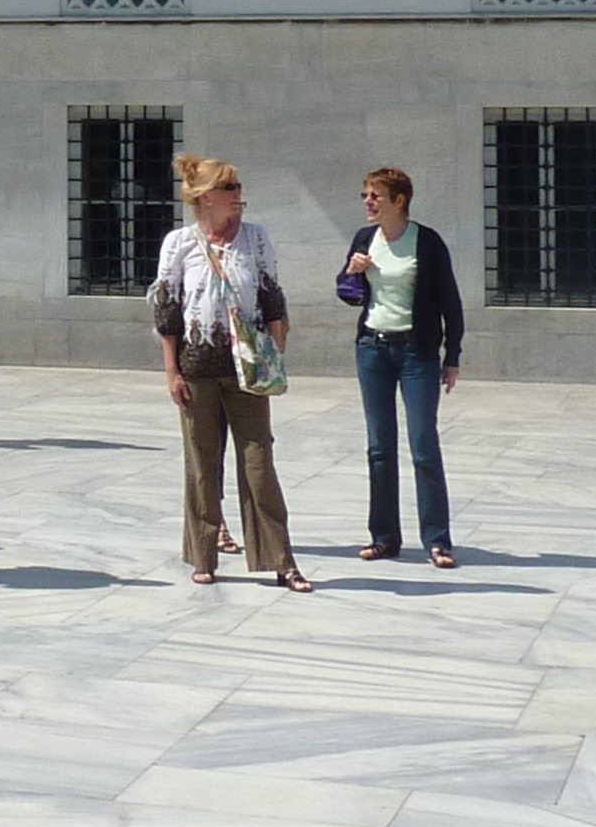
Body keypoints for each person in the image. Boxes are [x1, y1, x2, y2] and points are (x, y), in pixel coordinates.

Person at [157, 155, 308, 590]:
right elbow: (167, 312)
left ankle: (281, 559)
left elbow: (272, 298)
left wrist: (277, 354)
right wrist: (172, 372)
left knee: (259, 464)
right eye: (228, 188)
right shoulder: (179, 243)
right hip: (197, 367)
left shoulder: (256, 239)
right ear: (203, 198)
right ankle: (203, 555)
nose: (238, 195)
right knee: (202, 465)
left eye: (239, 187)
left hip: (248, 372)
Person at [339, 165, 466, 565]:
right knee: (379, 447)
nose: (368, 202)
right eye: (365, 195)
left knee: (423, 445)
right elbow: (347, 294)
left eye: (376, 196)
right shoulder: (365, 239)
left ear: (400, 201)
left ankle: (437, 539)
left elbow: (450, 301)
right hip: (372, 349)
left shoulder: (426, 242)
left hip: (417, 352)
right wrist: (352, 271)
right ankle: (384, 536)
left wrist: (453, 356)